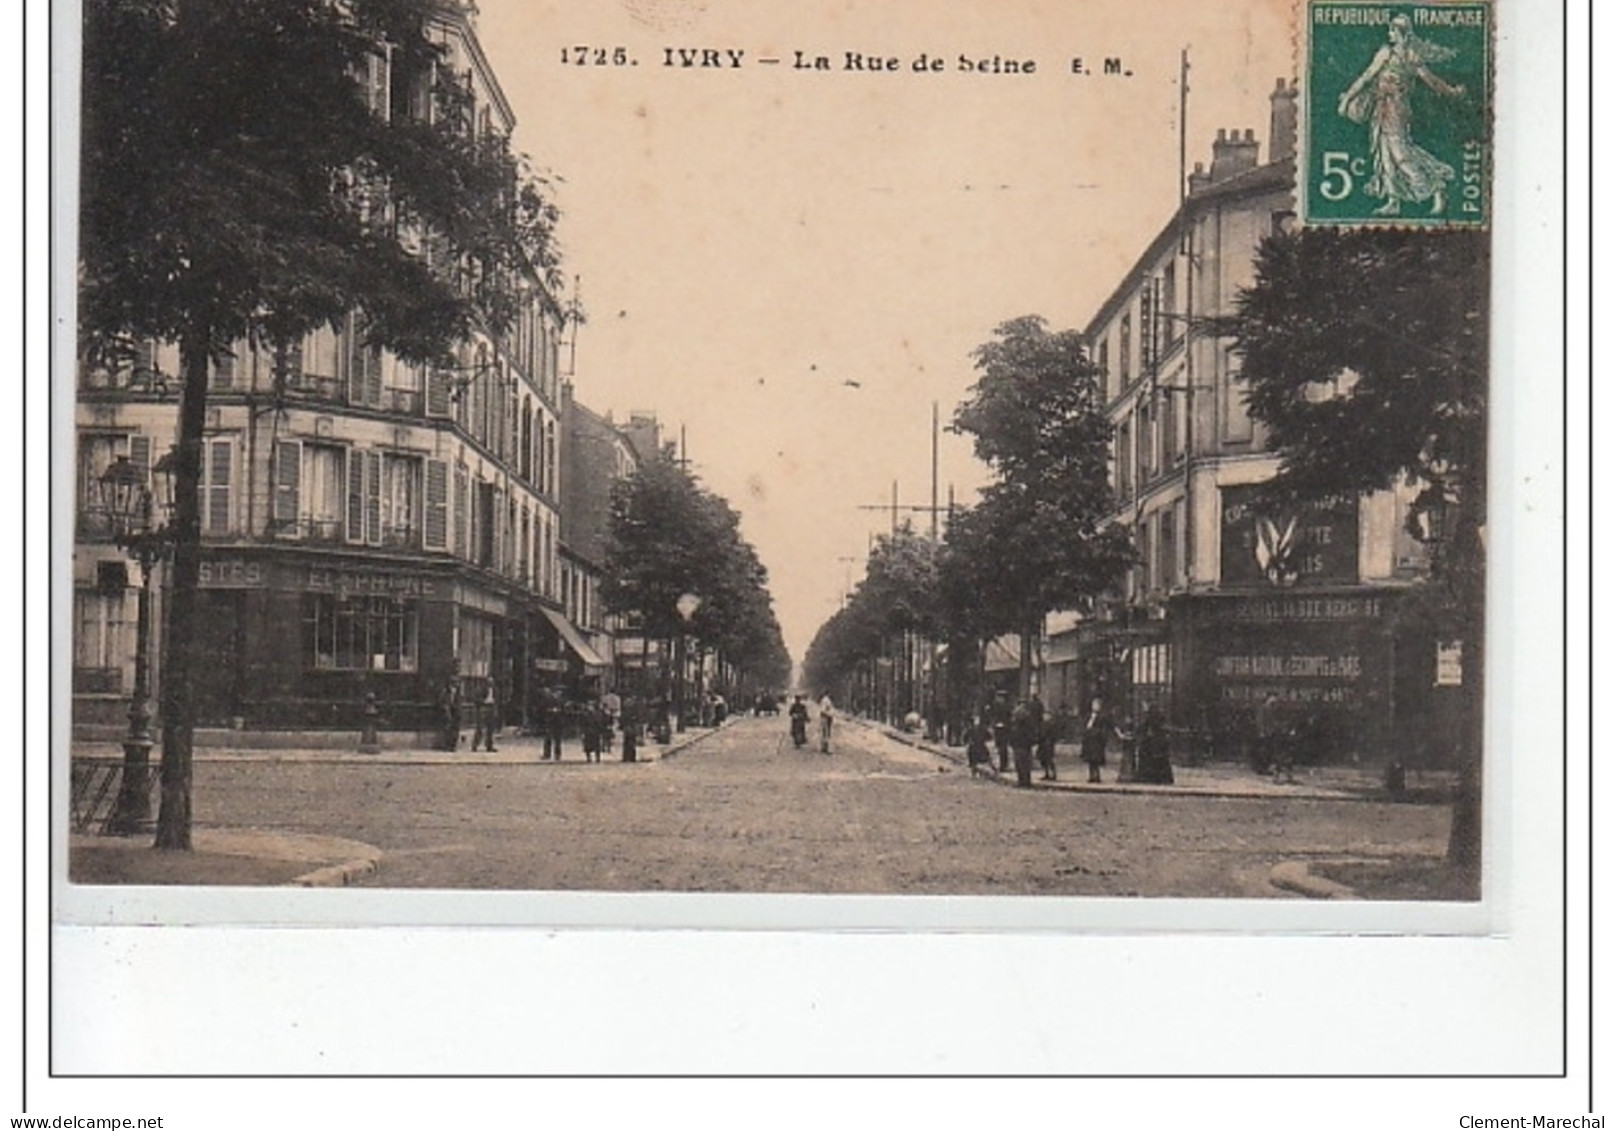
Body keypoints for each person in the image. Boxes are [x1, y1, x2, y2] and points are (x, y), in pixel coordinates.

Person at [1337, 13, 1466, 217]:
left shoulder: (1411, 57)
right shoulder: (1385, 53)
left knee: (1400, 153)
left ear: (1403, 34)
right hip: (1381, 108)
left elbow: (1431, 81)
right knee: (1385, 154)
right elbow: (1366, 77)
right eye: (1389, 30)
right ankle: (1393, 200)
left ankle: (1435, 188)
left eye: (1393, 31)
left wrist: (1451, 91)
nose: (1389, 34)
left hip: (1397, 110)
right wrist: (1347, 100)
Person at [1135, 706, 1175, 785]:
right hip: (1155, 747)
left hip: (1155, 747)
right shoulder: (1155, 724)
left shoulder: (1152, 724)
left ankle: (1149, 777)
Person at [1008, 696, 1043, 789]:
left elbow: (1012, 730)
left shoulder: (1017, 717)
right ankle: (1025, 781)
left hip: (1020, 743)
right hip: (1024, 743)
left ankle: (1022, 781)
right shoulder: (1028, 716)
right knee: (1025, 763)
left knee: (1020, 762)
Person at [1080, 697, 1112, 784]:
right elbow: (1084, 726)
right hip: (1089, 740)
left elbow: (1103, 729)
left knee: (1096, 759)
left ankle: (1097, 776)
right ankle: (1091, 776)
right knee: (1090, 759)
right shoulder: (1088, 716)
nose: (1094, 707)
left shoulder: (1102, 717)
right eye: (1093, 705)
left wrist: (1096, 733)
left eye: (1096, 705)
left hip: (1097, 741)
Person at [471, 678, 498, 753]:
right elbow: (476, 699)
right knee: (480, 728)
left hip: (491, 708)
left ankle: (489, 746)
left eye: (492, 682)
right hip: (483, 708)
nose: (491, 683)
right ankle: (475, 745)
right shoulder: (481, 689)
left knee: (490, 729)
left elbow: (497, 699)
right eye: (489, 682)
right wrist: (483, 701)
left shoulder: (495, 690)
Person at [437, 672, 462, 752]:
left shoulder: (459, 692)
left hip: (456, 712)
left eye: (456, 683)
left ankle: (453, 746)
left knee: (455, 729)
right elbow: (441, 701)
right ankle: (447, 745)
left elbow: (460, 702)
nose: (455, 686)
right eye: (453, 683)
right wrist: (445, 708)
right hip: (448, 713)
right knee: (448, 729)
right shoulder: (445, 691)